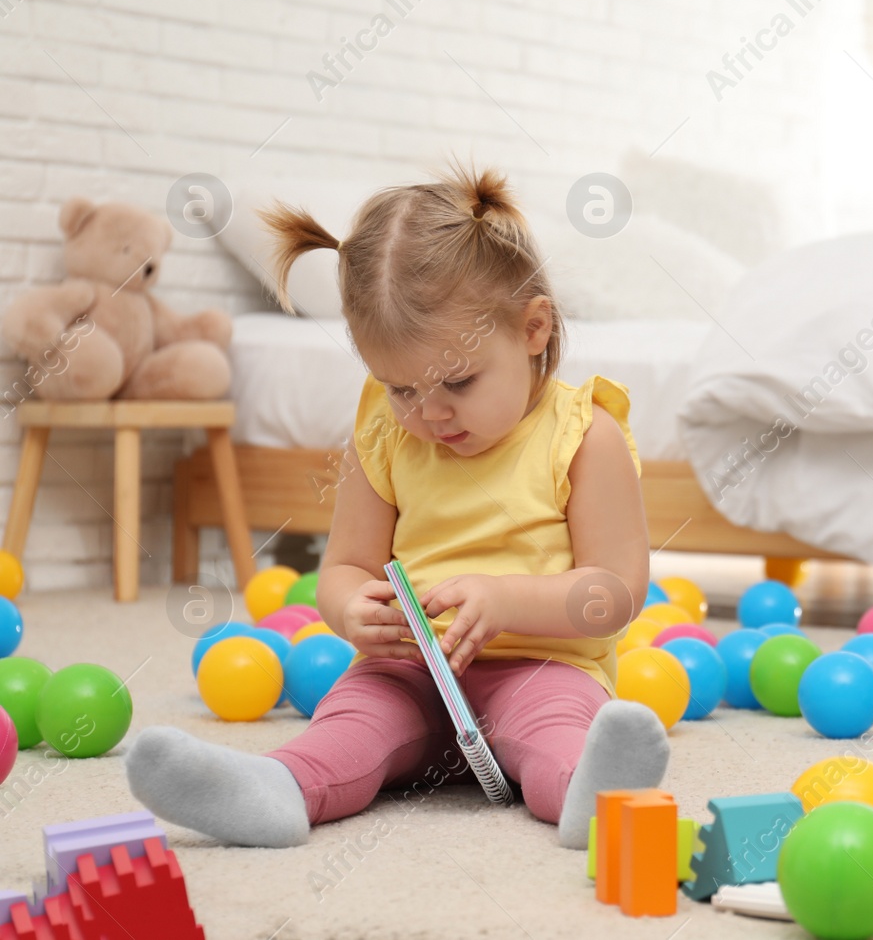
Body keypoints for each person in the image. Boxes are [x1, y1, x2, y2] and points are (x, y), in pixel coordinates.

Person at [126, 164, 668, 849]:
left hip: (544, 667)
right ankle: (276, 788)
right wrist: (352, 610)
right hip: (408, 670)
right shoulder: (385, 435)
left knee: (560, 735)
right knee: (350, 722)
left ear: (533, 329)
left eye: (457, 381)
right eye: (400, 387)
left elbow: (615, 591)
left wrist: (503, 602)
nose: (429, 412)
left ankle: (595, 796)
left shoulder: (584, 435)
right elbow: (346, 567)